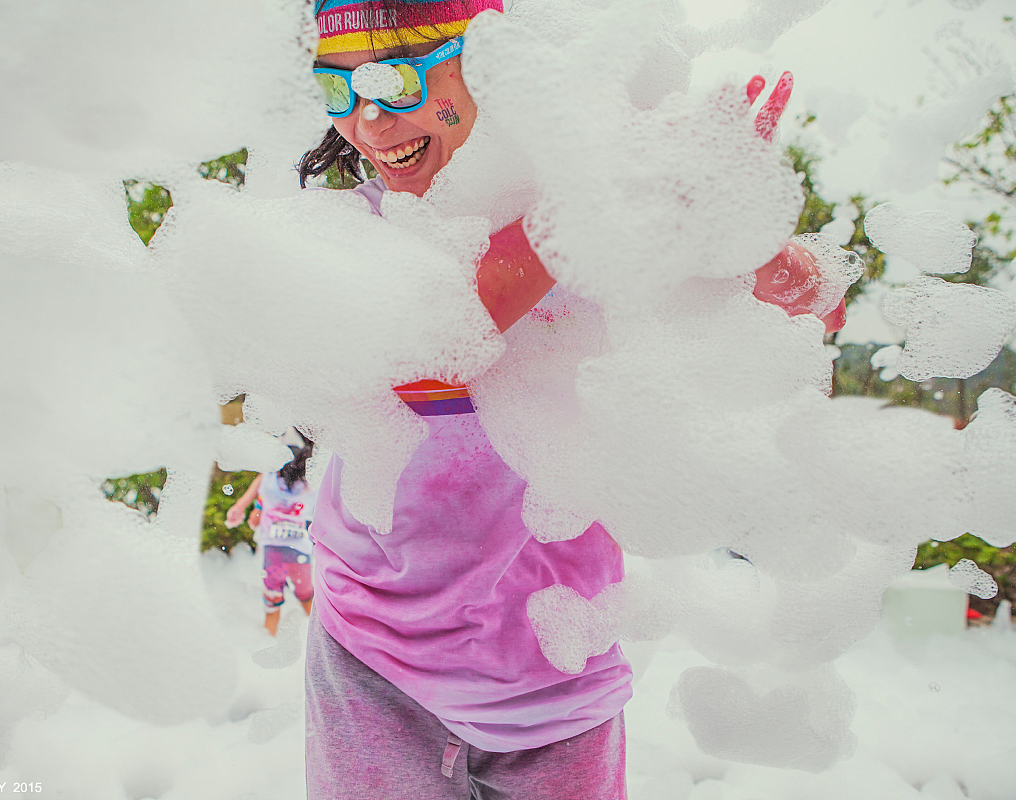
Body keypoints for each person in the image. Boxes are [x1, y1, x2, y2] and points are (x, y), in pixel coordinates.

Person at [297, 1, 847, 797]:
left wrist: (756, 245)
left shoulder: (603, 232)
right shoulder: (355, 231)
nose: (369, 118)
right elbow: (424, 346)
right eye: (337, 88)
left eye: (392, 78)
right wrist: (593, 210)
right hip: (375, 660)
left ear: (500, 70)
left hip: (559, 664)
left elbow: (804, 319)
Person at [226, 436, 318, 636]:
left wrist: (244, 507)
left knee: (272, 597)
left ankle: (268, 636)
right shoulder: (312, 486)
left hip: (272, 551)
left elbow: (262, 485)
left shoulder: (269, 480)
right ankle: (317, 638)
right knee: (306, 595)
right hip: (299, 552)